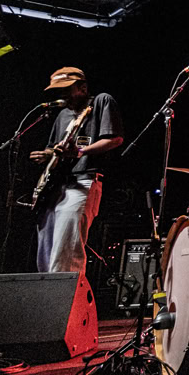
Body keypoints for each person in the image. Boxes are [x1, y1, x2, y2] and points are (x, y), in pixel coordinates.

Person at [29, 67, 124, 274]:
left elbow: (114, 138)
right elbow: (54, 148)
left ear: (83, 88)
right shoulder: (63, 115)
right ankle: (47, 291)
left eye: (66, 89)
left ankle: (65, 293)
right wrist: (46, 155)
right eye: (58, 91)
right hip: (55, 186)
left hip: (83, 180)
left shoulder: (101, 102)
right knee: (46, 253)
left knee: (65, 251)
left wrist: (80, 151)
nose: (62, 95)